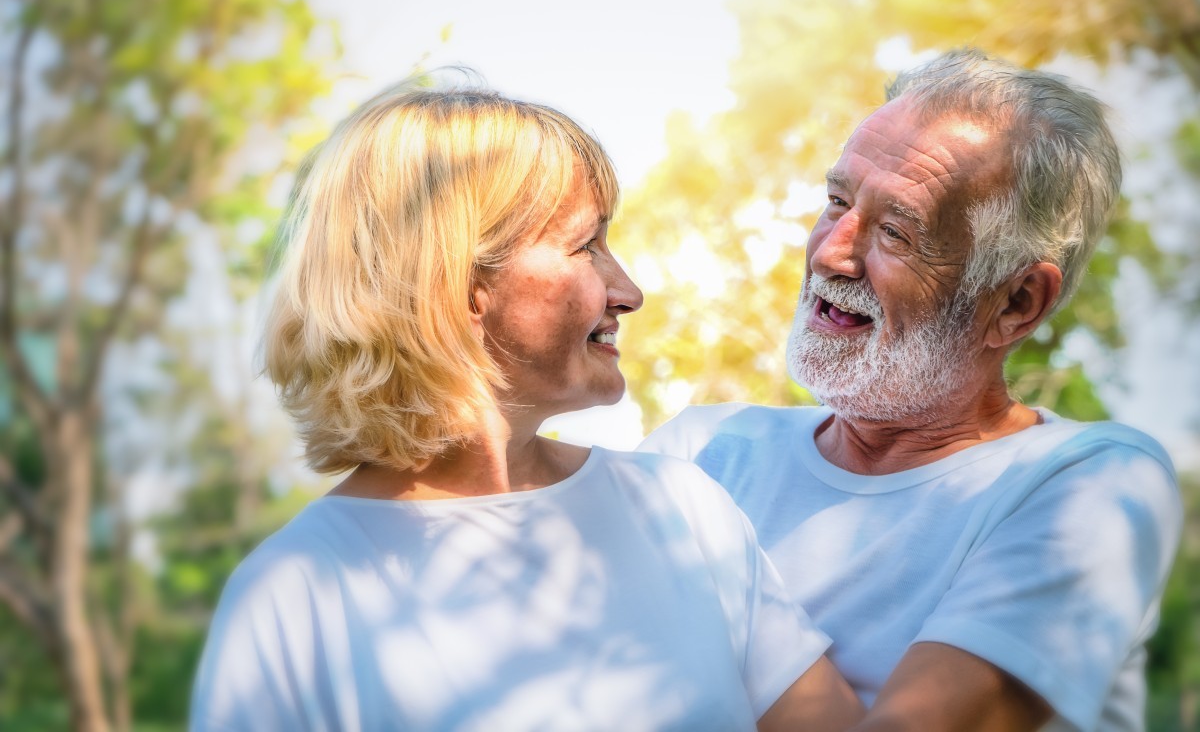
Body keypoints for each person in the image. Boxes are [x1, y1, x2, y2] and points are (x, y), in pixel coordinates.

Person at [189, 79, 863, 731]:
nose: (628, 291)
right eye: (585, 246)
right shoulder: (296, 595)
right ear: (457, 288)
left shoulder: (682, 510)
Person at [639, 49, 1182, 732]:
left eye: (896, 231)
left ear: (1016, 301)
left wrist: (711, 559)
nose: (832, 252)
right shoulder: (702, 448)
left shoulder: (1092, 480)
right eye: (836, 201)